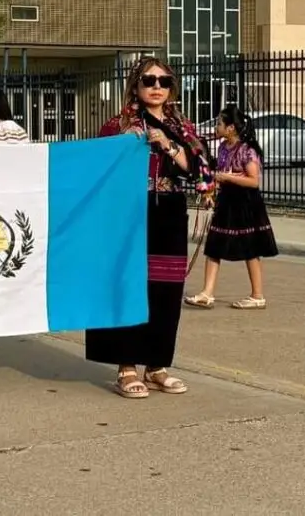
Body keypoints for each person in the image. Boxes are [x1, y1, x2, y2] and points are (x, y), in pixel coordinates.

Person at [84, 57, 214, 399]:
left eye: (164, 81)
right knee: (129, 285)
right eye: (149, 80)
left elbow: (202, 173)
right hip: (127, 213)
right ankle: (126, 366)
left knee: (166, 290)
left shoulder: (183, 127)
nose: (156, 87)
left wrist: (168, 145)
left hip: (169, 212)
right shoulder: (118, 124)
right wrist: (124, 144)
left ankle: (156, 365)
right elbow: (96, 168)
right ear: (135, 85)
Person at [185, 106, 278, 310]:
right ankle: (207, 293)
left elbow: (254, 181)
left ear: (231, 128)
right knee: (214, 245)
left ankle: (257, 295)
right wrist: (210, 192)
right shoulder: (222, 147)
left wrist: (226, 177)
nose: (216, 126)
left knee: (250, 248)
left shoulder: (247, 150)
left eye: (219, 123)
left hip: (245, 203)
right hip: (226, 201)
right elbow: (220, 173)